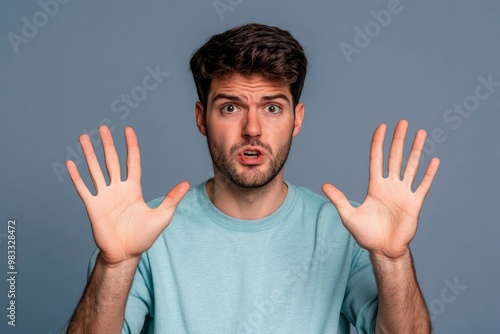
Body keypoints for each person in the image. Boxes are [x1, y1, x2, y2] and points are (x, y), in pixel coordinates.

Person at [63, 23, 440, 333]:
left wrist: (393, 259)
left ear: (298, 119)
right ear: (201, 118)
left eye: (272, 107)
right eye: (230, 107)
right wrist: (115, 266)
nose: (253, 129)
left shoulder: (348, 232)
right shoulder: (144, 233)